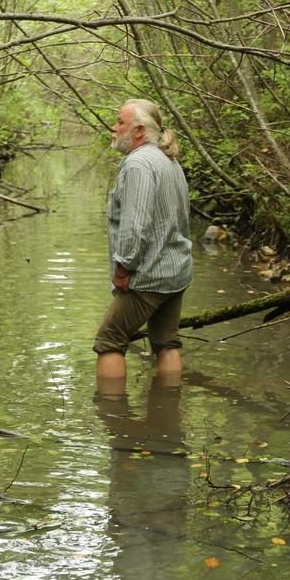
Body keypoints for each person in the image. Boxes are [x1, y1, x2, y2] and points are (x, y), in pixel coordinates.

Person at [94, 98, 193, 385]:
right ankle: (168, 416)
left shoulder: (137, 164)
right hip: (176, 271)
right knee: (166, 342)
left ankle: (114, 419)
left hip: (148, 276)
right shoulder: (168, 160)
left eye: (119, 122)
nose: (113, 128)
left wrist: (123, 268)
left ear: (138, 131)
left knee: (109, 340)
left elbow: (136, 225)